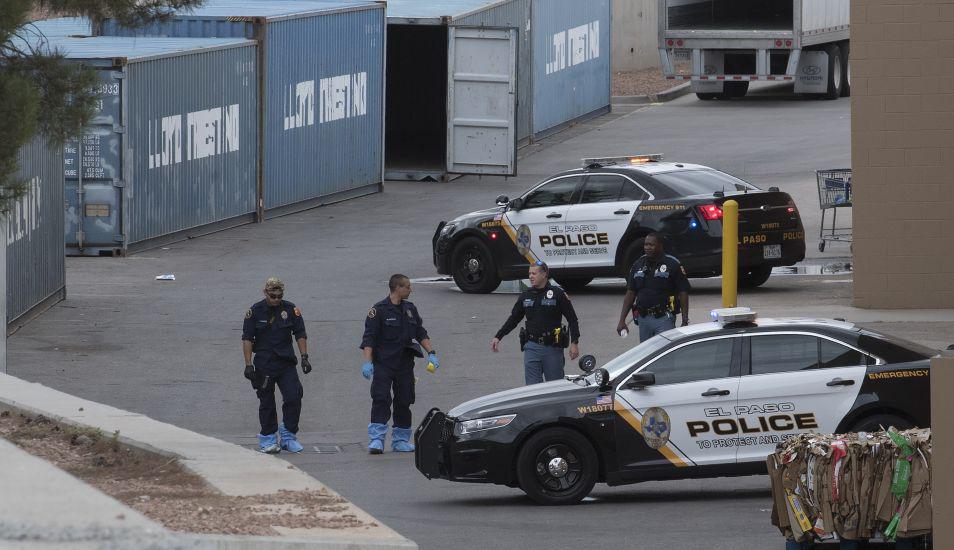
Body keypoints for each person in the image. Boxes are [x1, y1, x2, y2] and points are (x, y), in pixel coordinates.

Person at [360, 274, 438, 454]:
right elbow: (369, 338)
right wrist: (367, 362)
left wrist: (431, 353)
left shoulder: (410, 309)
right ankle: (377, 440)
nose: (411, 289)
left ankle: (400, 440)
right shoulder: (378, 310)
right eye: (408, 286)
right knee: (381, 399)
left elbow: (420, 332)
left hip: (404, 363)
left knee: (404, 399)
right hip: (384, 363)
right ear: (397, 288)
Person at [242, 277, 312, 454]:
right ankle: (268, 438)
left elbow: (300, 333)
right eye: (273, 296)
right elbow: (247, 338)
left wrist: (304, 356)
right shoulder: (255, 312)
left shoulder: (290, 309)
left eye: (279, 296)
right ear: (265, 292)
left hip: (285, 362)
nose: (276, 300)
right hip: (264, 364)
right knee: (267, 402)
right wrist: (248, 364)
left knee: (294, 396)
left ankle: (288, 435)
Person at [491, 261, 580, 385]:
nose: (530, 276)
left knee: (554, 389)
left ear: (544, 275)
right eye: (529, 273)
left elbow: (572, 319)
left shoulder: (557, 294)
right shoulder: (526, 295)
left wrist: (574, 343)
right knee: (532, 390)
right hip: (531, 347)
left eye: (534, 273)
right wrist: (498, 336)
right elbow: (514, 318)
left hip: (552, 349)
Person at [616, 233, 690, 341]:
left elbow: (683, 292)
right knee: (648, 354)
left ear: (660, 246)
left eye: (651, 245)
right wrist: (622, 320)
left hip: (664, 317)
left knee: (664, 352)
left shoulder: (672, 264)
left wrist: (684, 320)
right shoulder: (638, 264)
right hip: (643, 318)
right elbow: (631, 293)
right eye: (646, 245)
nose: (647, 248)